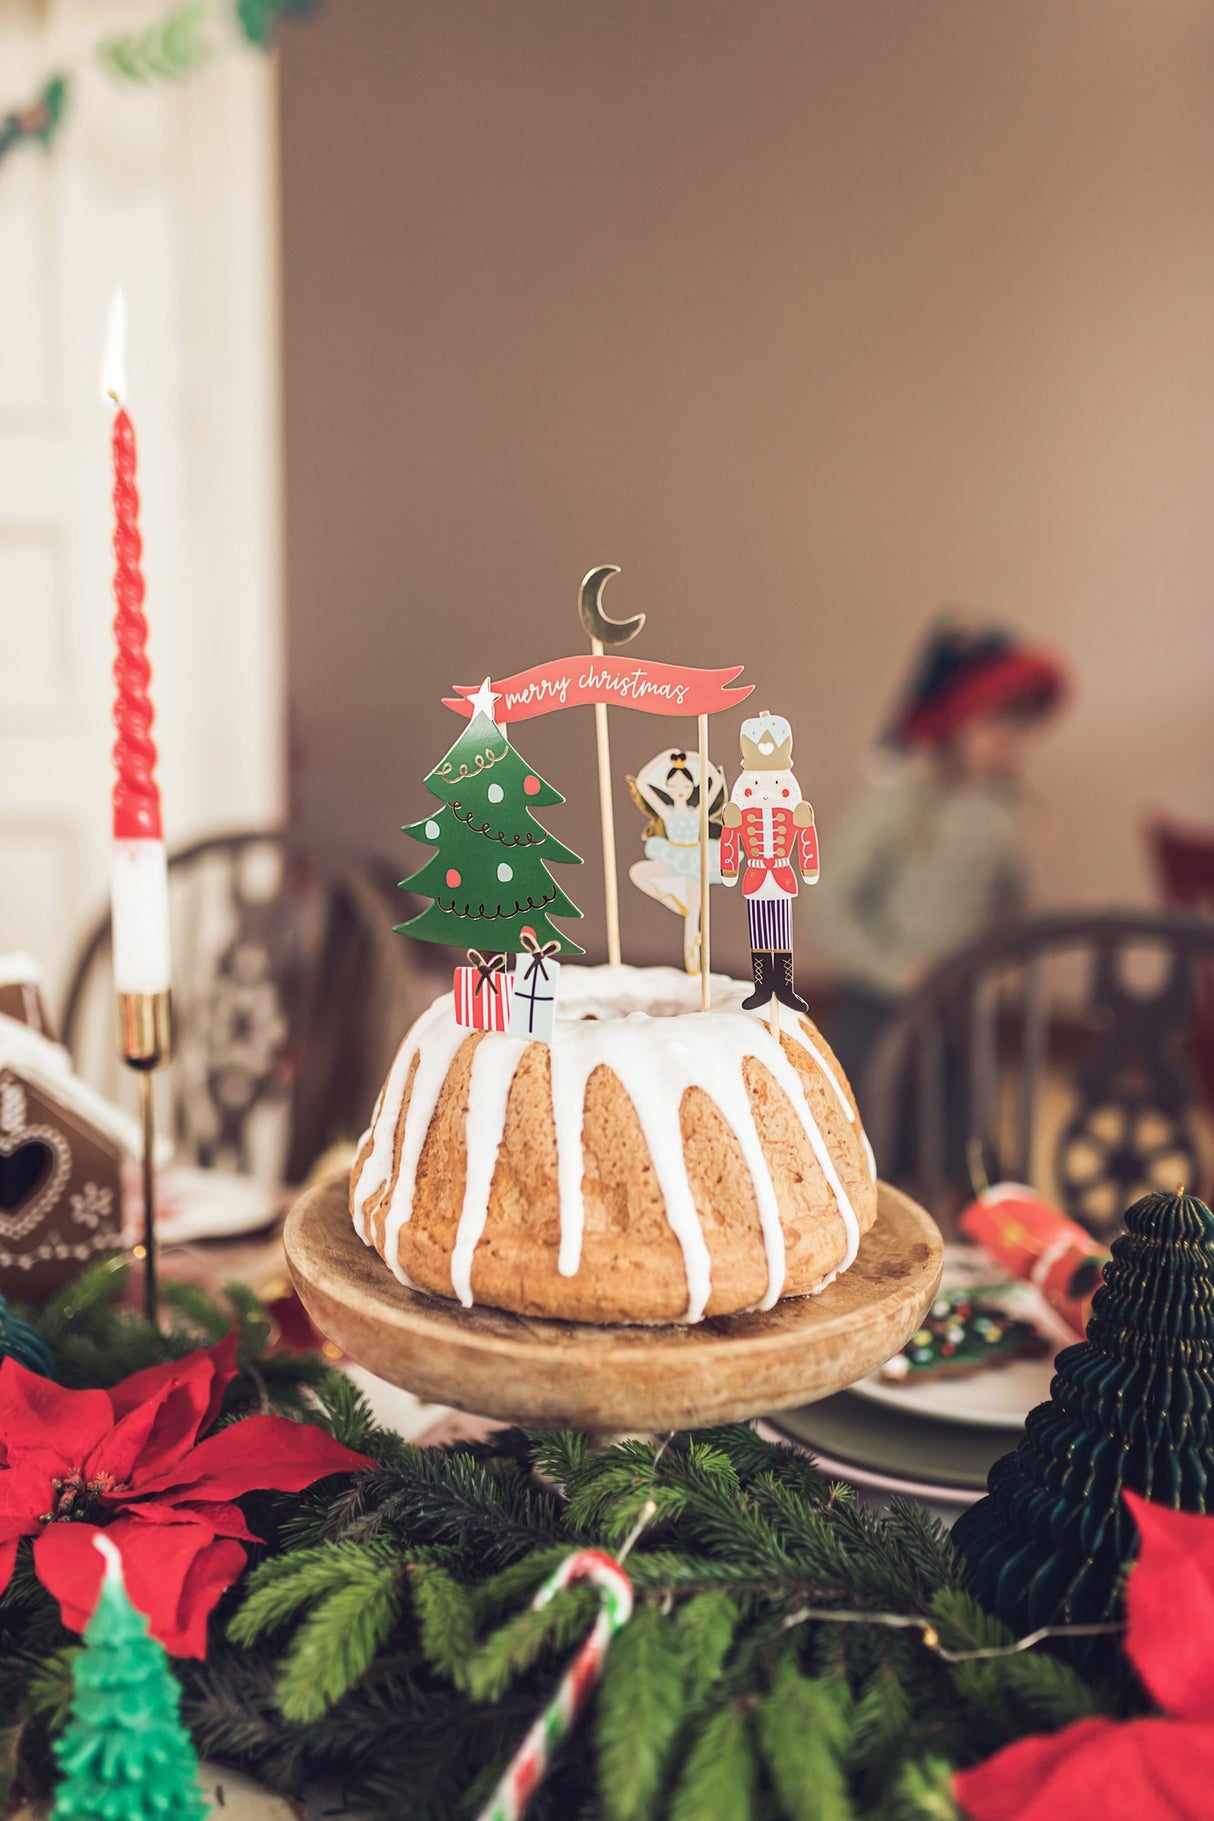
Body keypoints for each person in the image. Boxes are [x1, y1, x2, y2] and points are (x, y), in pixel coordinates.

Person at [810, 619, 1067, 1090]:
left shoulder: (1007, 808)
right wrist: (894, 968)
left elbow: (1013, 902)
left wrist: (1006, 947)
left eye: (1021, 725)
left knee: (958, 1128)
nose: (1009, 738)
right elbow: (829, 899)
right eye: (996, 721)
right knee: (877, 1124)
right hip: (883, 1001)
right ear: (956, 722)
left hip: (962, 1003)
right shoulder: (903, 799)